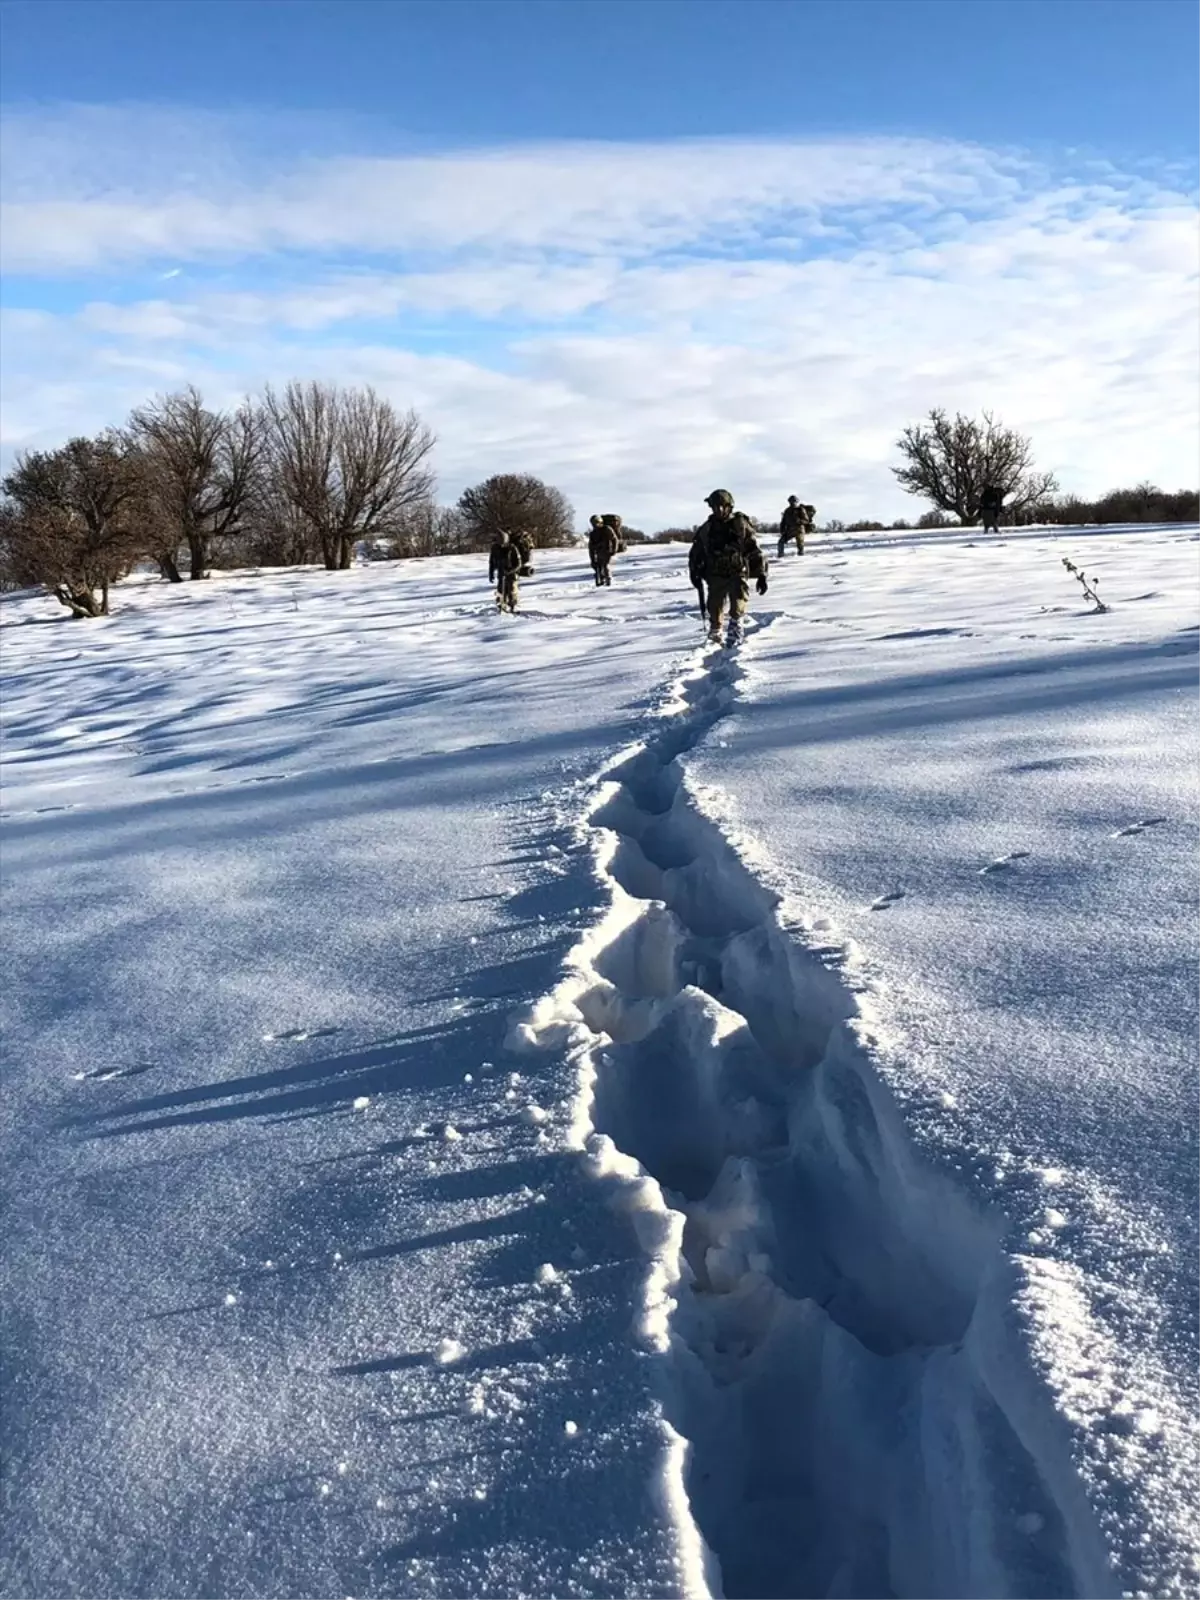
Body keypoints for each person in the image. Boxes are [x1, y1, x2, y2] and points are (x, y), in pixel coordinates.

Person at [691, 489, 768, 645]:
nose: (719, 510)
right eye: (715, 506)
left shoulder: (740, 524)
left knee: (738, 600)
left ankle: (735, 627)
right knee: (714, 604)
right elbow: (696, 552)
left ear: (729, 506)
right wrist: (695, 572)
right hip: (715, 573)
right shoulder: (706, 529)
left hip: (737, 571)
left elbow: (754, 549)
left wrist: (762, 574)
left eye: (722, 506)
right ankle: (715, 630)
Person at [489, 529, 521, 612]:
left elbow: (518, 564)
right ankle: (501, 607)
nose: (501, 545)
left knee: (512, 592)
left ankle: (513, 607)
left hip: (512, 575)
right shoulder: (495, 548)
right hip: (501, 574)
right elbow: (492, 562)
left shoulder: (512, 548)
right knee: (501, 592)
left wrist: (510, 571)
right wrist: (491, 573)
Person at [588, 514, 619, 586]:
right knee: (598, 569)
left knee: (605, 567)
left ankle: (609, 582)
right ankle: (601, 582)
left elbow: (614, 539)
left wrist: (614, 549)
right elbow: (591, 548)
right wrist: (592, 560)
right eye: (593, 523)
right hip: (599, 553)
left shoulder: (607, 529)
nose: (594, 525)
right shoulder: (593, 534)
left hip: (607, 552)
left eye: (596, 523)